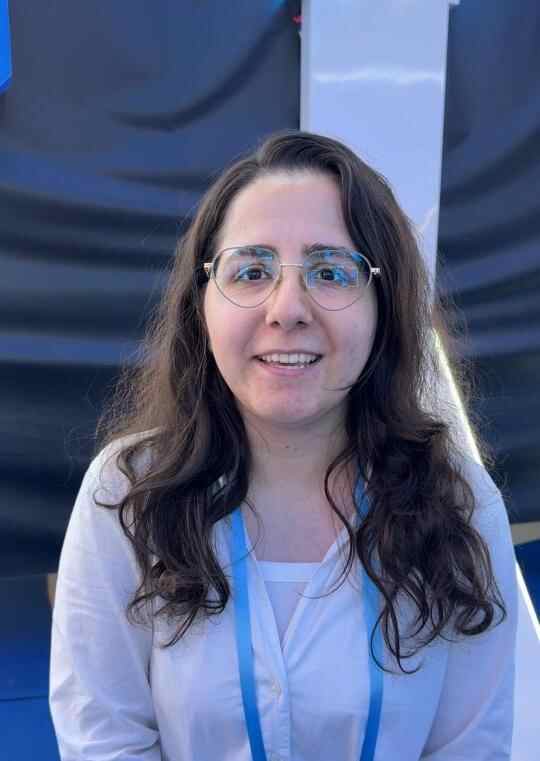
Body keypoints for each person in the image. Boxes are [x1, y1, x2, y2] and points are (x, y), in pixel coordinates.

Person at [49, 130, 518, 761]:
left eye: (330, 271)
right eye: (252, 271)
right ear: (201, 305)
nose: (287, 308)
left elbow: (470, 747)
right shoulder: (127, 491)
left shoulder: (460, 504)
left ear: (383, 306)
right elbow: (103, 737)